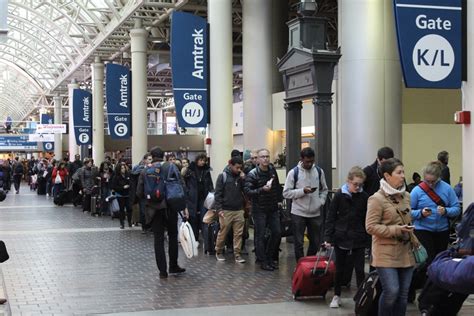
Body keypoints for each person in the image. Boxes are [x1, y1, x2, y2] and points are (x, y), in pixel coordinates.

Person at [365, 158, 416, 316]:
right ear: (387, 176)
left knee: (402, 295)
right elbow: (370, 227)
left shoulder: (406, 195)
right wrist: (396, 230)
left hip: (406, 252)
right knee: (391, 292)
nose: (403, 176)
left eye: (403, 172)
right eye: (399, 172)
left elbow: (407, 217)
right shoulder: (376, 199)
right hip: (385, 253)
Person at [136, 146, 186, 279]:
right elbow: (181, 185)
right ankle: (173, 266)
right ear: (163, 155)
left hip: (154, 209)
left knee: (158, 239)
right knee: (173, 236)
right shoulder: (171, 167)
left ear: (152, 156)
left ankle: (162, 271)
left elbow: (139, 192)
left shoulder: (145, 171)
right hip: (170, 206)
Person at [324, 166, 369, 309]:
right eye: (355, 184)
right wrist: (328, 237)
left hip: (358, 236)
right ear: (348, 181)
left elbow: (367, 218)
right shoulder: (339, 195)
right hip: (341, 235)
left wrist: (368, 237)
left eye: (360, 185)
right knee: (339, 269)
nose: (357, 187)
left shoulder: (364, 197)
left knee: (360, 270)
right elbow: (331, 217)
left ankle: (361, 297)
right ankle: (336, 295)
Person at [283, 147, 329, 263]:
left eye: (312, 161)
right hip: (298, 212)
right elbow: (286, 193)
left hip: (315, 212)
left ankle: (308, 262)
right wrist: (302, 191)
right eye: (307, 161)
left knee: (315, 241)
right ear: (301, 159)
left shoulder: (319, 171)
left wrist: (321, 201)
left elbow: (324, 189)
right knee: (298, 242)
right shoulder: (294, 172)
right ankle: (301, 265)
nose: (309, 164)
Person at [410, 161, 460, 264]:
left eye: (433, 181)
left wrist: (446, 211)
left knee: (440, 261)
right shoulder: (417, 191)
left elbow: (457, 209)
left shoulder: (447, 189)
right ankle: (425, 280)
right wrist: (420, 213)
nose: (430, 184)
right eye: (427, 181)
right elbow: (407, 212)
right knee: (427, 261)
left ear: (439, 177)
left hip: (442, 231)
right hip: (422, 230)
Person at [244, 148, 282, 271]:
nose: (265, 159)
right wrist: (261, 189)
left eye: (267, 156)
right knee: (260, 235)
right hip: (259, 209)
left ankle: (270, 257)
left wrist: (279, 200)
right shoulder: (253, 174)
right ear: (258, 159)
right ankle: (263, 260)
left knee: (277, 232)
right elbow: (248, 192)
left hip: (272, 207)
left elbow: (276, 186)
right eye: (262, 157)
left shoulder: (272, 170)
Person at [214, 156, 246, 263]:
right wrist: (219, 209)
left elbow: (245, 190)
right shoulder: (222, 176)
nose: (239, 170)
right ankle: (218, 251)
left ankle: (237, 254)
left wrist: (243, 179)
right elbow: (217, 194)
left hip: (239, 209)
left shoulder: (240, 177)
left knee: (238, 234)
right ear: (230, 165)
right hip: (226, 210)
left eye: (240, 168)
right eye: (237, 167)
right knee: (223, 232)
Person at [183, 154, 214, 253]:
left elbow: (210, 184)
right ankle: (194, 239)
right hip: (192, 198)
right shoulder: (190, 170)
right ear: (197, 160)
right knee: (193, 219)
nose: (202, 162)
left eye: (204, 160)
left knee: (204, 219)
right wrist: (187, 194)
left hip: (203, 198)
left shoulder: (206, 171)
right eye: (201, 160)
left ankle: (207, 242)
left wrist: (211, 194)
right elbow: (185, 184)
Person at [111, 163, 132, 229]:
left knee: (129, 208)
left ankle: (129, 221)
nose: (123, 169)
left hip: (127, 194)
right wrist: (123, 187)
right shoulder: (116, 177)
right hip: (120, 195)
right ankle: (122, 223)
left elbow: (131, 183)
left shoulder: (128, 175)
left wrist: (129, 186)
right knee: (122, 209)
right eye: (122, 168)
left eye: (124, 168)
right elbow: (114, 187)